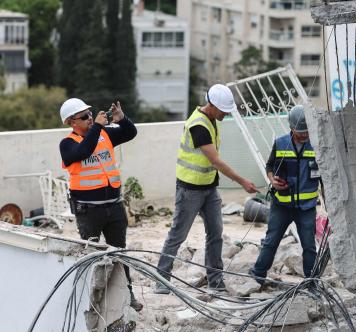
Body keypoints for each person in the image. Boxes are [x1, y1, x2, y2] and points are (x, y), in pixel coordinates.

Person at [154, 84, 258, 294]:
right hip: (190, 189)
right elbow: (216, 161)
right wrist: (243, 182)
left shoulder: (212, 119)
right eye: (224, 110)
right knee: (177, 235)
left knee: (215, 234)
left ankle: (215, 281)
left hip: (209, 187)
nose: (226, 114)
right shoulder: (198, 125)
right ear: (212, 105)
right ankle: (161, 280)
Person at [59, 98, 143, 312]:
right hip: (89, 211)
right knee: (92, 257)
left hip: (113, 208)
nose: (90, 118)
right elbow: (83, 152)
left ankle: (127, 296)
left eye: (90, 114)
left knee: (119, 254)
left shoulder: (105, 134)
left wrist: (121, 119)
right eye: (84, 117)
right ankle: (92, 302)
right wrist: (96, 126)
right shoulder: (68, 144)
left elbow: (130, 133)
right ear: (71, 122)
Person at [249, 105, 320, 284]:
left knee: (309, 245)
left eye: (306, 131)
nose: (304, 135)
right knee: (271, 241)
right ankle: (258, 275)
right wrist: (272, 180)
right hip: (282, 205)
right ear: (291, 127)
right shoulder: (280, 143)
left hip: (307, 207)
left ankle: (312, 282)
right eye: (300, 132)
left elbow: (326, 176)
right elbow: (270, 166)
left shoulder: (318, 144)